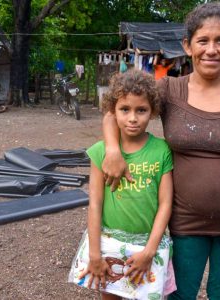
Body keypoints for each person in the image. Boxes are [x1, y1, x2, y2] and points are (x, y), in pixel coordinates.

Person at [101, 3, 220, 300]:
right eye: (203, 41)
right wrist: (112, 149)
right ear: (188, 46)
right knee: (179, 294)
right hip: (184, 222)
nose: (211, 50)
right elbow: (115, 110)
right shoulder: (170, 90)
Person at [69, 69, 176, 299]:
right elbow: (95, 204)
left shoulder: (162, 150)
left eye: (141, 110)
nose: (133, 118)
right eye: (124, 109)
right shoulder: (100, 152)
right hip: (107, 245)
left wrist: (149, 251)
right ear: (113, 111)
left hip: (148, 247)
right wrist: (95, 254)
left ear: (153, 111)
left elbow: (165, 204)